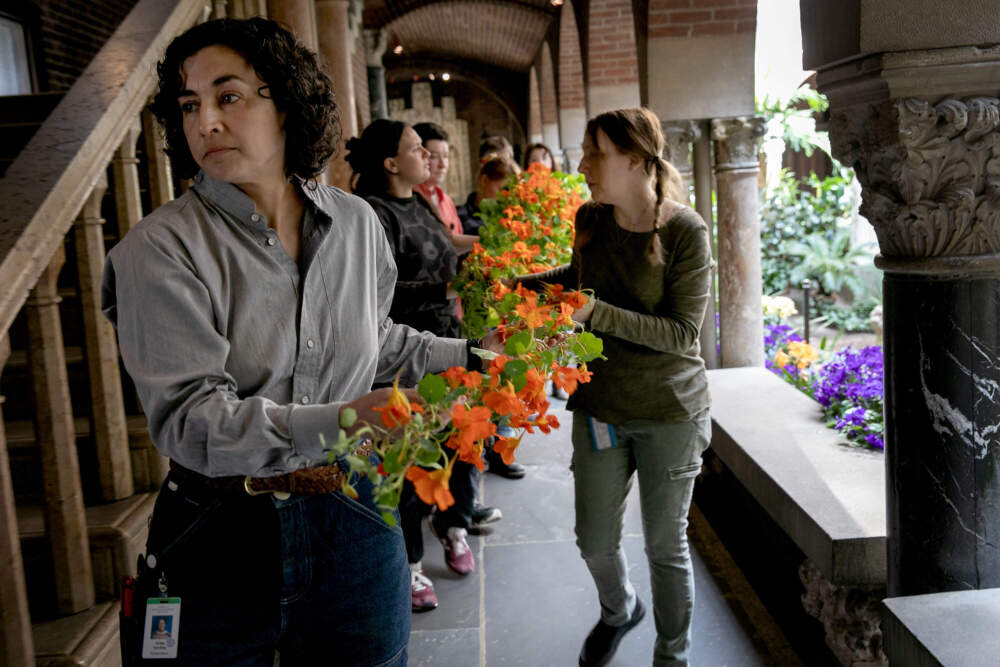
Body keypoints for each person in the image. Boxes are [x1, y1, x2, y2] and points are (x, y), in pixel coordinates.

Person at [102, 18, 493, 665]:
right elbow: (191, 418)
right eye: (189, 105)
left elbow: (378, 336)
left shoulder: (356, 223)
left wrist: (475, 356)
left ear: (284, 101)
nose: (206, 121)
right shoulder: (160, 250)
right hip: (220, 527)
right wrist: (344, 417)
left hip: (355, 510)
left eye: (228, 96)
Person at [521, 108, 712, 666]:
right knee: (595, 540)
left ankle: (672, 655)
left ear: (635, 160)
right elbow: (578, 283)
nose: (581, 164)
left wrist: (595, 315)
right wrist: (515, 285)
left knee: (665, 547)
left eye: (594, 153)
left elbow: (682, 334)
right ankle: (618, 608)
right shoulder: (591, 218)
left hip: (670, 412)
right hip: (601, 407)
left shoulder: (685, 231)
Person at [345, 119, 502, 613]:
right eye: (417, 149)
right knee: (409, 466)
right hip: (401, 356)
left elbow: (443, 246)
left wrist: (482, 249)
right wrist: (448, 289)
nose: (428, 157)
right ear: (391, 163)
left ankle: (454, 526)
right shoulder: (373, 214)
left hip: (447, 341)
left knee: (461, 441)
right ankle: (410, 565)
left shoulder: (421, 200)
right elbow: (379, 295)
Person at [456, 152, 520, 235]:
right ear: (484, 180)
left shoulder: (512, 218)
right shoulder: (459, 217)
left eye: (511, 192)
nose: (507, 197)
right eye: (503, 189)